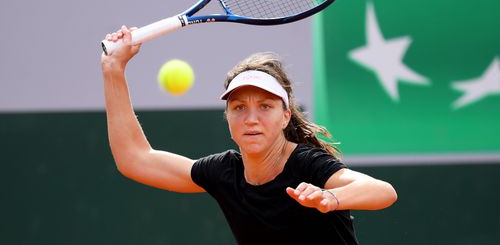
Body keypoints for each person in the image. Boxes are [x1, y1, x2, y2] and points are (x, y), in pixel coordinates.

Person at [101, 26, 398, 245]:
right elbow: (135, 159)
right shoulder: (224, 172)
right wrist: (113, 69)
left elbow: (383, 192)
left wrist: (329, 197)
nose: (251, 119)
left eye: (265, 106)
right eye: (239, 107)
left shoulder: (307, 164)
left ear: (285, 116)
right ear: (228, 118)